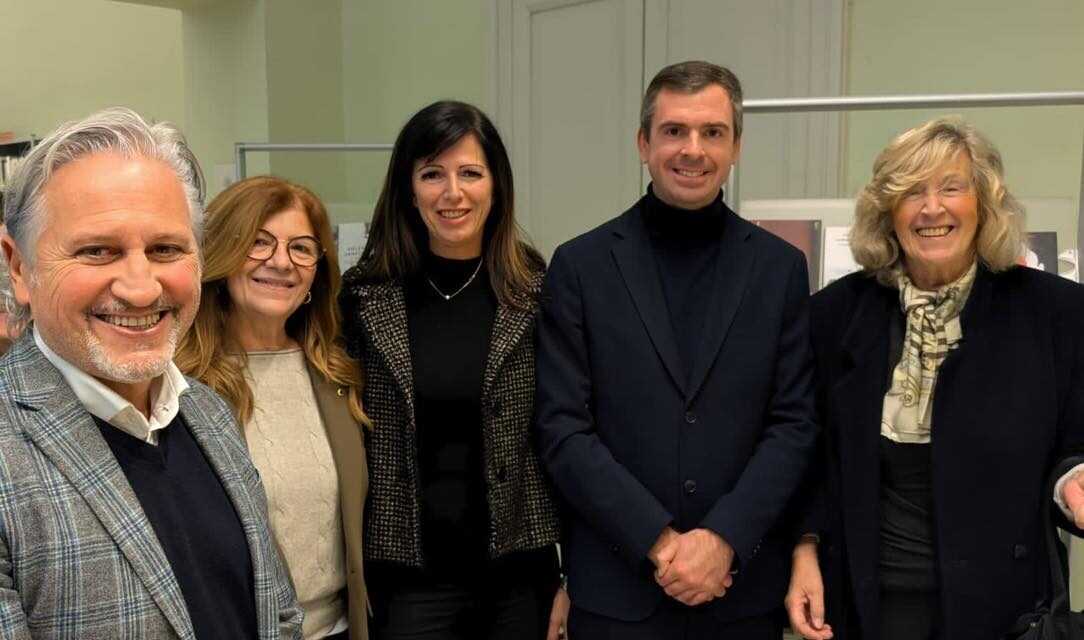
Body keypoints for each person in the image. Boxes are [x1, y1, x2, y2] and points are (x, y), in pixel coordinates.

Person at [534, 60, 818, 638]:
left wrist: (723, 540)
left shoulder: (779, 269)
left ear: (736, 145)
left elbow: (794, 423)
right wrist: (659, 543)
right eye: (674, 131)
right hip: (617, 592)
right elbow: (563, 428)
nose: (693, 149)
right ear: (644, 143)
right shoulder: (580, 267)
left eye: (712, 132)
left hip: (738, 594)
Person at [0, 107, 302, 638]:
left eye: (166, 249)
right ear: (19, 267)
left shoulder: (207, 412)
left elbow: (277, 613)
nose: (141, 288)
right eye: (97, 251)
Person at [785, 117, 1084, 640]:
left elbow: (1074, 442)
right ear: (887, 214)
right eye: (911, 193)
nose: (932, 208)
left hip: (1005, 609)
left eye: (952, 188)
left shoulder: (1054, 312)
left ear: (985, 205)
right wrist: (804, 545)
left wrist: (1072, 481)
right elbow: (806, 449)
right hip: (868, 604)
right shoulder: (835, 315)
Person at [339, 100, 566, 640]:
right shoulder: (364, 296)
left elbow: (567, 435)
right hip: (407, 580)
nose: (452, 193)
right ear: (408, 189)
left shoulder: (539, 292)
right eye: (432, 174)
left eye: (470, 173)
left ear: (497, 185)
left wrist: (570, 573)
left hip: (519, 573)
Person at [175, 175, 370, 640]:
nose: (281, 262)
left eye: (302, 248)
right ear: (222, 254)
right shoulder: (178, 387)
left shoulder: (336, 376)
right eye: (258, 243)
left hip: (340, 629)